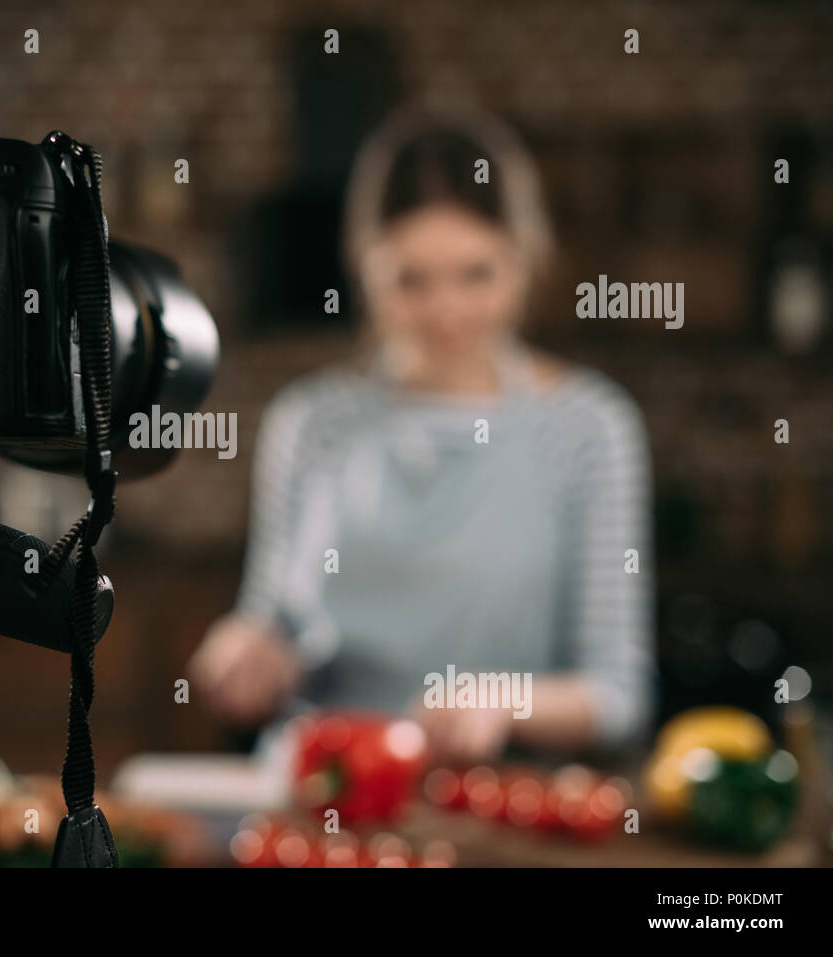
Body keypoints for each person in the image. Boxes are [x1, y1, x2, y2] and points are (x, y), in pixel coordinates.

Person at [188, 109, 655, 765]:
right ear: (363, 268)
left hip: (496, 810)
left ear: (526, 261)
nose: (445, 311)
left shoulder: (587, 426)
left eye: (476, 274)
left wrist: (504, 701)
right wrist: (245, 647)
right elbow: (272, 617)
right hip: (328, 795)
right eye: (410, 280)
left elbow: (619, 691)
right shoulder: (310, 421)